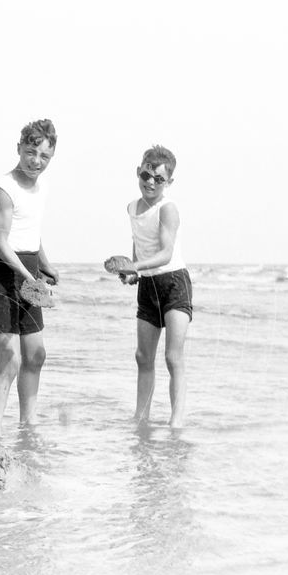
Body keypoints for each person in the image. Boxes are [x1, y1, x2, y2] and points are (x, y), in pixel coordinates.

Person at [0, 119, 58, 440]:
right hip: (1, 275)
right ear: (19, 148)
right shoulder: (2, 188)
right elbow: (0, 242)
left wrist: (44, 266)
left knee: (36, 355)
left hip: (28, 271)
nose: (36, 161)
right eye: (30, 152)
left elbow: (31, 234)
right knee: (9, 360)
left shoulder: (41, 187)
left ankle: (28, 427)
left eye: (44, 157)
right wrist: (30, 279)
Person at [104, 145, 193, 428]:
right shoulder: (132, 207)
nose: (151, 182)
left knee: (172, 356)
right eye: (146, 175)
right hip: (148, 286)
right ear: (138, 172)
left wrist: (136, 267)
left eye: (159, 179)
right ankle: (141, 416)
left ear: (169, 182)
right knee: (143, 356)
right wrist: (133, 271)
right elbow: (138, 244)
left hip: (174, 282)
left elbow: (166, 253)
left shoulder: (167, 209)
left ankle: (176, 420)